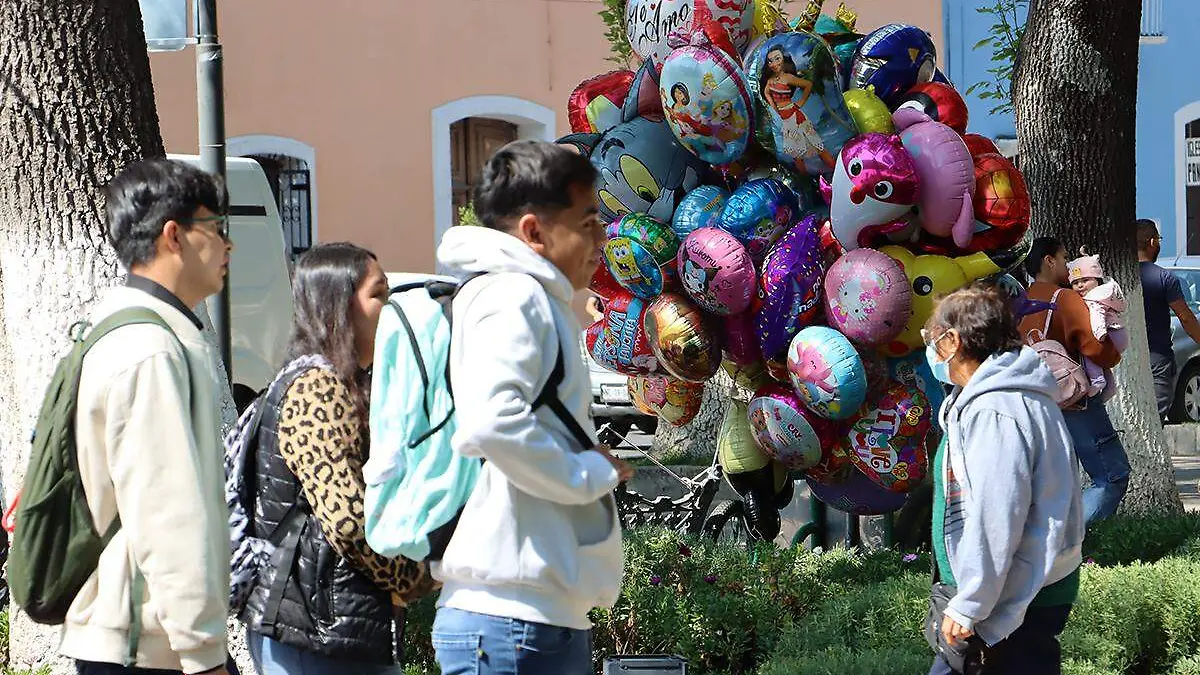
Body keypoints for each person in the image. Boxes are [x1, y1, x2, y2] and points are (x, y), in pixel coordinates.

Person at [432, 139, 634, 675]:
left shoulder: (525, 296)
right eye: (587, 222)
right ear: (533, 232)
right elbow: (493, 422)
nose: (600, 238)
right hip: (511, 623)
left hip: (527, 618)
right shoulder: (513, 297)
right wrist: (587, 472)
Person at [61, 158, 232, 675]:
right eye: (217, 229)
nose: (228, 246)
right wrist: (204, 653)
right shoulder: (149, 349)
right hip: (146, 645)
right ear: (174, 236)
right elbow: (168, 512)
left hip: (141, 638)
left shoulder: (127, 329)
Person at [240, 243, 434, 674]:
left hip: (322, 629)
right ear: (339, 308)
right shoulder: (318, 389)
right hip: (314, 632)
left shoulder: (334, 381)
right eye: (379, 295)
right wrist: (412, 577)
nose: (392, 309)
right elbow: (348, 521)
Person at [924, 283, 1084, 675]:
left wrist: (971, 602)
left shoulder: (996, 409)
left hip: (1013, 593)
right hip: (1020, 586)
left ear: (953, 341)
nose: (928, 347)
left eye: (932, 338)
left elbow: (998, 512)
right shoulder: (1007, 397)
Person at [1020, 237, 1128, 526]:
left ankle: (1046, 540)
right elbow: (1095, 348)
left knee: (1053, 485)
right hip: (1075, 402)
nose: (1068, 267)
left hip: (1033, 403)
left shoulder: (1019, 300)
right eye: (1064, 258)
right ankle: (1071, 538)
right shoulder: (1064, 299)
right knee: (1111, 476)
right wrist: (1114, 354)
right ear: (1049, 260)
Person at [1137, 219, 1200, 420]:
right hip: (1157, 358)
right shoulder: (1164, 278)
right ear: (1152, 241)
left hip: (1125, 357)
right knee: (1154, 418)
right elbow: (1185, 317)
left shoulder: (1120, 276)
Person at [1067, 253, 1128, 400]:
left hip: (1108, 333)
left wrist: (1099, 333)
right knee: (1102, 361)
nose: (1080, 285)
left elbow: (1097, 315)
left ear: (1097, 280)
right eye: (1075, 283)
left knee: (1088, 351)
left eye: (1086, 280)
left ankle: (1097, 380)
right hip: (1119, 332)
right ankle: (1110, 386)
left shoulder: (1093, 298)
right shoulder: (1104, 293)